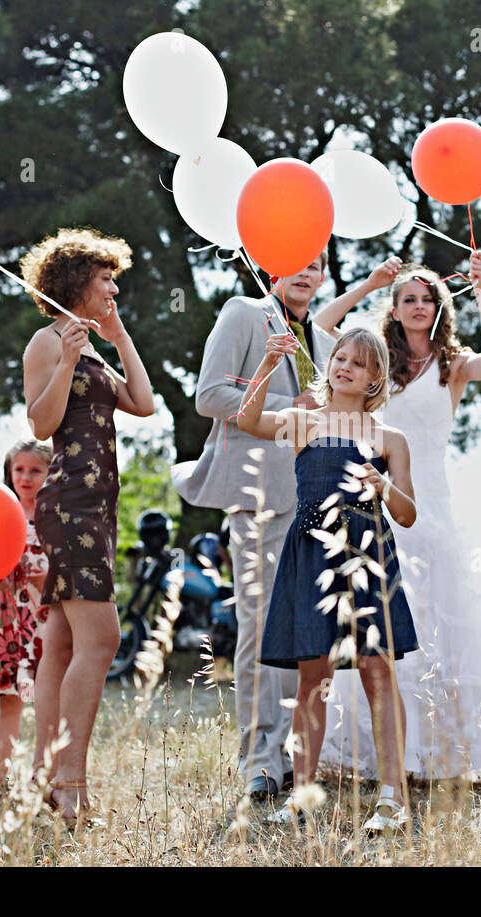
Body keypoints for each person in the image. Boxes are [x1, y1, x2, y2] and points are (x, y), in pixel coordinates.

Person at [311, 254, 481, 781]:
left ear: (441, 307)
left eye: (428, 298)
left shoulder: (453, 366)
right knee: (383, 615)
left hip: (434, 499)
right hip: (381, 495)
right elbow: (322, 329)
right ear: (393, 309)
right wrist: (370, 283)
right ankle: (386, 756)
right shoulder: (378, 364)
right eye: (409, 298)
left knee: (442, 613)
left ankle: (441, 752)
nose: (419, 306)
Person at [234, 327, 420, 831]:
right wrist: (268, 366)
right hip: (311, 555)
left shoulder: (390, 439)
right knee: (313, 677)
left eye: (357, 363)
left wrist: (383, 487)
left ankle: (391, 798)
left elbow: (407, 514)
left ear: (375, 377)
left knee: (378, 673)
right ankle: (302, 797)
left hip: (368, 555)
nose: (344, 367)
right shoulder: (304, 422)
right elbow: (246, 419)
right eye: (340, 357)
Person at [171, 254, 334, 803]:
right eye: (295, 262)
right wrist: (297, 404)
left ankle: (295, 757)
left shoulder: (328, 341)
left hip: (318, 500)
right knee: (261, 624)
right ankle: (260, 762)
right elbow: (210, 396)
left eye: (316, 264)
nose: (305, 273)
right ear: (271, 269)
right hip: (258, 495)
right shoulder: (245, 313)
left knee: (303, 631)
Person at [21, 227, 156, 825]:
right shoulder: (47, 342)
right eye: (106, 279)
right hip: (69, 500)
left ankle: (42, 777)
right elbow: (43, 422)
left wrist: (117, 337)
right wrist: (70, 356)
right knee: (103, 640)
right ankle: (69, 783)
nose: (114, 287)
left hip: (99, 505)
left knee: (65, 644)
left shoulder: (97, 344)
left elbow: (144, 403)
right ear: (77, 283)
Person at [0, 438, 52, 799]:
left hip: (48, 620)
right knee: (10, 700)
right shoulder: (5, 514)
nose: (26, 477)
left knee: (51, 698)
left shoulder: (54, 516)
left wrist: (44, 577)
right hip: (11, 622)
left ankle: (44, 776)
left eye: (36, 470)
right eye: (19, 470)